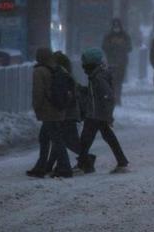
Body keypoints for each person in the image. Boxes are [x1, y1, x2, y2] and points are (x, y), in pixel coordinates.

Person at [77, 48, 129, 174]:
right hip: (97, 114)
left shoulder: (98, 77)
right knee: (105, 138)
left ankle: (83, 164)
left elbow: (107, 96)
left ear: (91, 64)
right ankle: (121, 161)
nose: (83, 69)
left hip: (97, 114)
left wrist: (108, 115)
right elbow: (96, 94)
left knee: (86, 140)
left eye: (85, 65)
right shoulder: (97, 75)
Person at [27, 47, 73, 178]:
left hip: (48, 111)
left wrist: (36, 107)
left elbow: (38, 92)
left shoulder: (39, 71)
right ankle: (41, 166)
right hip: (59, 108)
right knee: (44, 138)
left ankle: (65, 168)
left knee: (56, 140)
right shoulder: (58, 69)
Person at [45, 52, 88, 173]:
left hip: (67, 114)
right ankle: (51, 166)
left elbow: (64, 97)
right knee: (61, 140)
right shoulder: (67, 75)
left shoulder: (62, 76)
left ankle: (87, 160)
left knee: (67, 142)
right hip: (69, 113)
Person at [101, 18, 133, 105]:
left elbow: (130, 47)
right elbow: (104, 46)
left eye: (117, 26)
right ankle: (114, 98)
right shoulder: (109, 36)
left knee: (119, 81)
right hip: (112, 61)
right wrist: (114, 48)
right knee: (113, 81)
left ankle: (117, 98)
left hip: (122, 62)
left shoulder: (124, 36)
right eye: (115, 26)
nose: (116, 28)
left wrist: (120, 48)